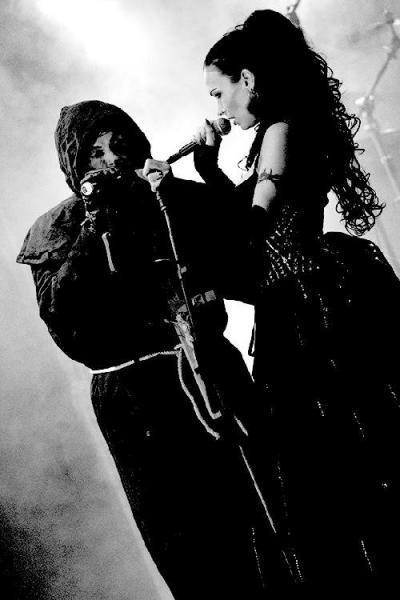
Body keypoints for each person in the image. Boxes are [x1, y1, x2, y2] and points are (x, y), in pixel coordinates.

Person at [15, 99, 290, 599]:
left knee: (271, 518)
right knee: (192, 549)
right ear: (75, 165)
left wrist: (205, 177)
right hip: (135, 401)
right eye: (95, 153)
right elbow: (67, 326)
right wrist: (95, 224)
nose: (113, 160)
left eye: (120, 145)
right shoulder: (57, 229)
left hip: (214, 377)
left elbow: (248, 265)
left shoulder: (172, 196)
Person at [184, 8, 400, 595]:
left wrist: (202, 173)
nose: (219, 107)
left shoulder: (280, 130)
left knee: (328, 453)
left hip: (305, 308)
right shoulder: (280, 131)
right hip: (299, 301)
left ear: (248, 79)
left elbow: (253, 230)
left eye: (218, 92)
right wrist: (209, 173)